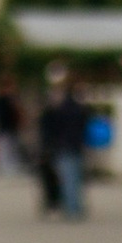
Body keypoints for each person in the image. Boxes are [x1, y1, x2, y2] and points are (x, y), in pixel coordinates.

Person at [36, 63, 91, 220]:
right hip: (72, 144)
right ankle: (73, 207)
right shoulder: (75, 105)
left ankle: (71, 208)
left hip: (64, 144)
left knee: (69, 177)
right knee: (73, 177)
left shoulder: (62, 106)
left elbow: (53, 125)